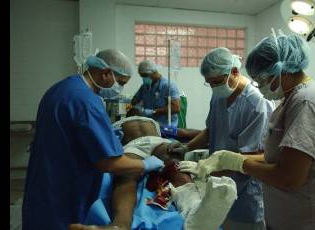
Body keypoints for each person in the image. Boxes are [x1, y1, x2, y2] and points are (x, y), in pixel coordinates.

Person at [179, 31, 315, 230]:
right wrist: (224, 159)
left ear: (281, 70)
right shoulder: (291, 100)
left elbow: (290, 177)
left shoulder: (306, 102)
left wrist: (239, 163)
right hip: (287, 216)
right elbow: (276, 157)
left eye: (261, 78)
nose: (258, 85)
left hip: (309, 220)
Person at [22, 49, 165, 230]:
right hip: (64, 189)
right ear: (105, 73)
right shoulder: (88, 102)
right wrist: (145, 165)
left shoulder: (60, 89)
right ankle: (120, 225)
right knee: (126, 178)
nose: (119, 89)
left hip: (44, 181)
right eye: (120, 83)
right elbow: (110, 163)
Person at [70, 116, 238, 230]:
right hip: (153, 143)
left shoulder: (123, 124)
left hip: (145, 144)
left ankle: (120, 225)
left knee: (164, 169)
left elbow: (187, 134)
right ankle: (120, 225)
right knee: (135, 173)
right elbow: (185, 132)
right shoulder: (147, 123)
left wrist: (191, 144)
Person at [170, 47, 271, 230]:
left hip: (245, 192)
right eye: (209, 83)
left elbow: (252, 155)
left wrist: (206, 169)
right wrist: (187, 148)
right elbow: (211, 130)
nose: (214, 87)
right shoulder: (219, 96)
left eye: (216, 82)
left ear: (234, 71)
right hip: (217, 184)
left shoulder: (256, 104)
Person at [130, 60, 181, 127]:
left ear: (154, 72)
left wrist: (153, 112)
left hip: (166, 127)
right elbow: (134, 100)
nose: (144, 78)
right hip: (149, 126)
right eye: (142, 76)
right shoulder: (145, 86)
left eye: (145, 76)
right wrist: (137, 107)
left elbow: (176, 108)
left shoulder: (168, 86)